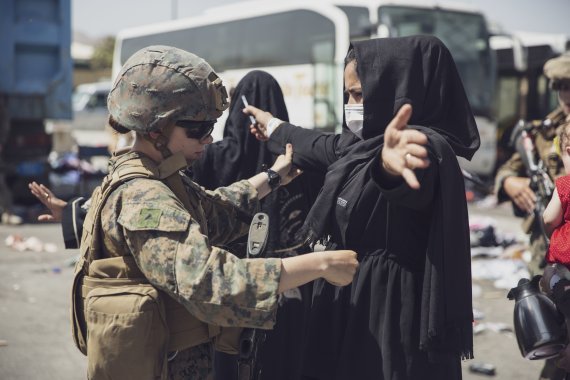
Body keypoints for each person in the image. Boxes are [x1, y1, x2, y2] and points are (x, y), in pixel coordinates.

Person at [67, 45, 358, 380]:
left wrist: (272, 178)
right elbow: (212, 283)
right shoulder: (143, 197)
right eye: (197, 130)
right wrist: (320, 265)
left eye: (211, 128)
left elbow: (214, 211)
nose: (208, 140)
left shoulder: (159, 176)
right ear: (154, 129)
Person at [244, 35, 477, 380]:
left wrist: (388, 168)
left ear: (395, 89)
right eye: (347, 95)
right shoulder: (359, 146)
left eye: (358, 94)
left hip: (387, 321)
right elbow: (317, 145)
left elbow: (407, 183)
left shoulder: (424, 149)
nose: (351, 105)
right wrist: (272, 125)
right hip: (350, 308)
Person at [192, 70, 324, 380]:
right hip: (288, 283)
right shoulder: (295, 162)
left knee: (226, 362)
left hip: (228, 285)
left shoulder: (211, 156)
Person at [495, 52, 570, 277]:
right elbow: (507, 169)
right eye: (560, 86)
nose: (565, 94)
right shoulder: (543, 132)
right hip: (547, 247)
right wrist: (510, 182)